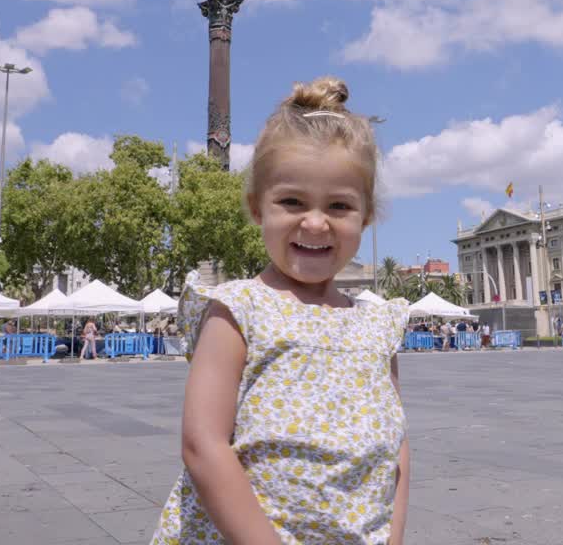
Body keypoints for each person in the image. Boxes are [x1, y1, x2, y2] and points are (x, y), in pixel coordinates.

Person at [150, 76, 409, 545]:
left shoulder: (380, 323)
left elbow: (396, 444)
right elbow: (203, 445)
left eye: (339, 205)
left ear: (365, 216)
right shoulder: (238, 309)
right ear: (256, 207)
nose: (315, 221)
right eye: (291, 201)